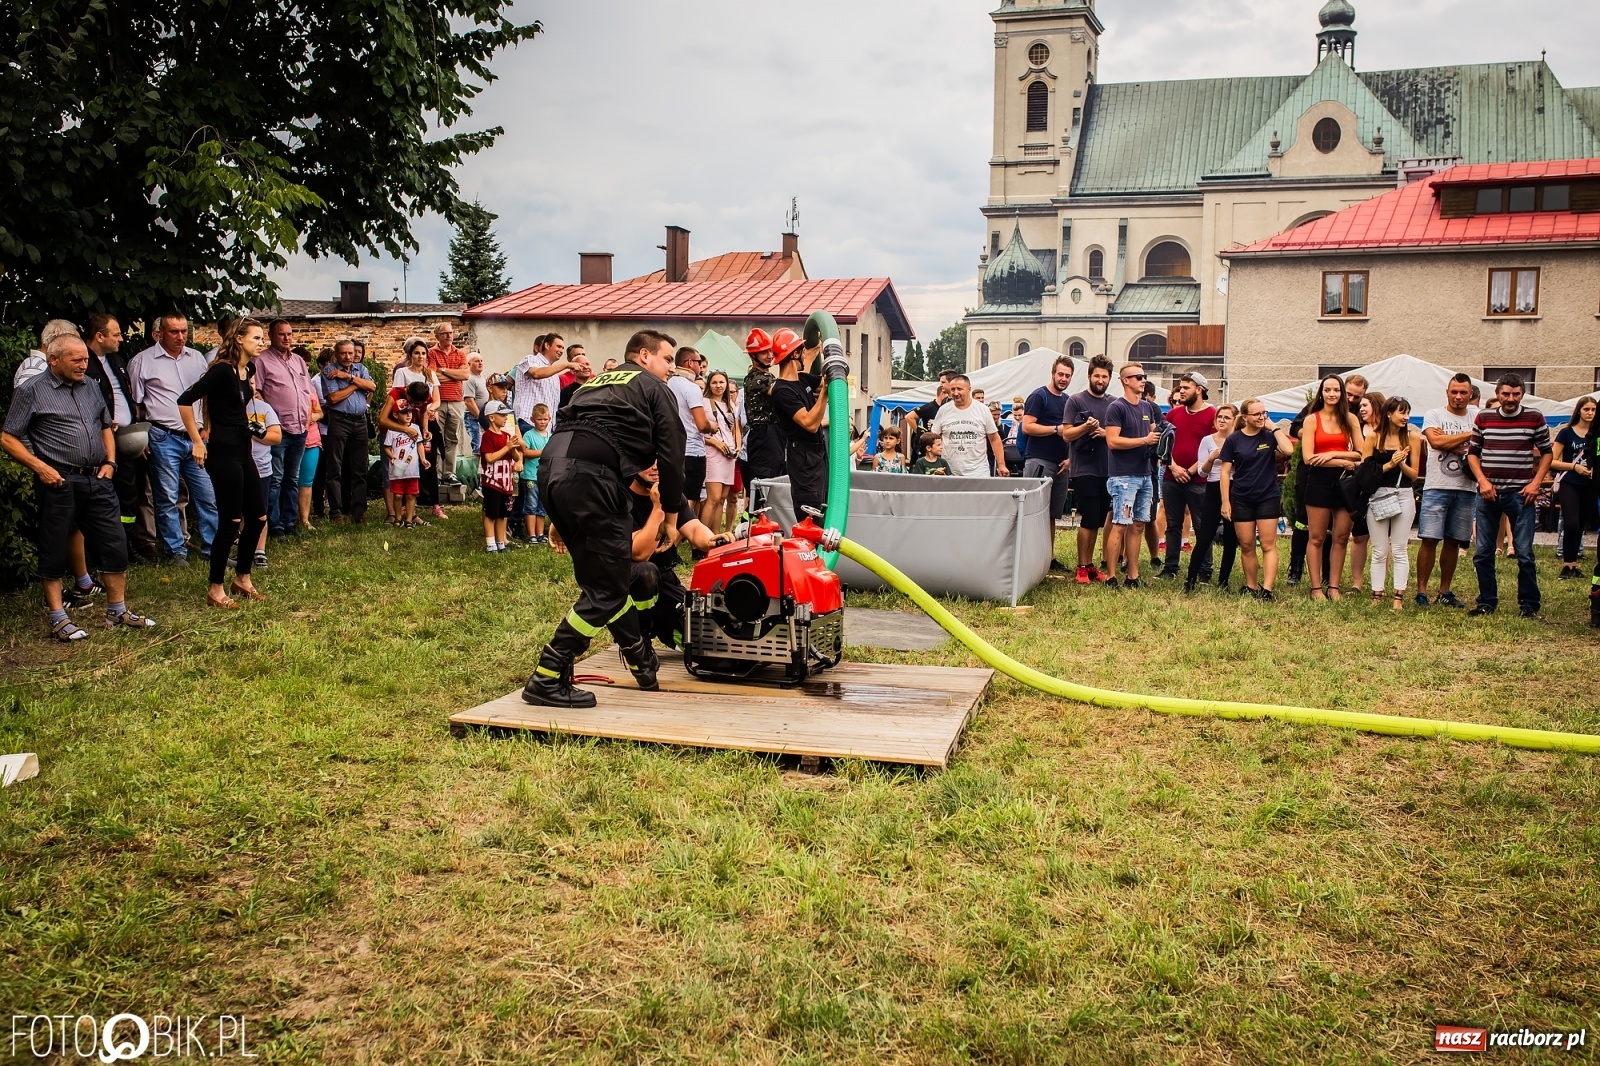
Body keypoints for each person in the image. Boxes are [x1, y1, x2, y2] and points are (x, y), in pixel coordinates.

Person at [525, 330, 687, 709]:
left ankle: (639, 657)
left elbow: (568, 429)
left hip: (554, 470)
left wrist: (561, 511)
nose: (671, 369)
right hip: (592, 478)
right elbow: (673, 454)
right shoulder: (652, 386)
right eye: (667, 360)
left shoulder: (594, 383)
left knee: (609, 581)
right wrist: (671, 517)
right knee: (608, 591)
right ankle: (548, 675)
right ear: (644, 356)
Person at [2, 335, 157, 639]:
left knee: (114, 543)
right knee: (54, 548)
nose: (83, 365)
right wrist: (40, 467)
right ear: (54, 360)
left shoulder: (90, 386)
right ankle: (59, 617)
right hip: (58, 480)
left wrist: (111, 462)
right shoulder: (32, 390)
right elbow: (8, 437)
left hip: (97, 479)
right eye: (76, 360)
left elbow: (104, 425)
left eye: (85, 359)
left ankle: (117, 610)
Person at [176, 318, 269, 608]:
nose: (261, 343)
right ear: (239, 339)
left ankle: (242, 577)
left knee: (258, 516)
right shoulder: (221, 372)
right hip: (223, 450)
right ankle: (215, 588)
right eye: (256, 338)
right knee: (231, 520)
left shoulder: (247, 369)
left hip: (243, 447)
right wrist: (197, 441)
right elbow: (184, 400)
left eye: (262, 338)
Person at [128, 314, 219, 564]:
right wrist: (140, 436)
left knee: (207, 495)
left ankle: (213, 548)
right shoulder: (142, 361)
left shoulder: (197, 358)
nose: (180, 337)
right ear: (159, 333)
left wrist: (207, 427)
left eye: (183, 332)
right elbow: (136, 404)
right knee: (167, 496)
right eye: (174, 332)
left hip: (196, 438)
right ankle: (176, 550)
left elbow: (206, 397)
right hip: (162, 436)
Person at [1467, 374, 1552, 618]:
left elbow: (1547, 453)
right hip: (1488, 493)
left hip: (1521, 494)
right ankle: (1486, 601)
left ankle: (1528, 605)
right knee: (1483, 551)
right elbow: (1473, 453)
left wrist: (1536, 483)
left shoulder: (1534, 417)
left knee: (1524, 553)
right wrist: (1482, 481)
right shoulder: (1484, 418)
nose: (1510, 399)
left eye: (1515, 394)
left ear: (1522, 394)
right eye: (1506, 394)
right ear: (1498, 394)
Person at [627, 462, 734, 650]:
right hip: (633, 581)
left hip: (666, 579)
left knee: (714, 638)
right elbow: (640, 553)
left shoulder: (672, 495)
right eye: (647, 462)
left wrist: (714, 540)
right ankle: (637, 639)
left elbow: (693, 528)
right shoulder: (621, 498)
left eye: (659, 461)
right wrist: (659, 507)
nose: (655, 467)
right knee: (646, 572)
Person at [81, 313, 157, 564]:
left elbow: (128, 397)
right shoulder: (84, 363)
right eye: (116, 334)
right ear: (99, 336)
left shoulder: (116, 359)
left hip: (127, 440)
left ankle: (127, 544)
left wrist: (137, 434)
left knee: (130, 495)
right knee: (101, 498)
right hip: (99, 443)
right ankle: (99, 552)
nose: (122, 339)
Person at [1219, 399, 1294, 600]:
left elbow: (1288, 450)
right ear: (1245, 417)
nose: (1262, 417)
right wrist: (1226, 502)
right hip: (1241, 497)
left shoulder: (1269, 436)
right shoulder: (1234, 440)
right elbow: (1225, 472)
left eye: (1264, 413)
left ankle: (1267, 590)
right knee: (1247, 545)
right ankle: (1251, 586)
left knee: (1268, 544)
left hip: (1267, 496)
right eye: (1257, 414)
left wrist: (1275, 427)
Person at [1416, 374, 1479, 608]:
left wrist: (1449, 439)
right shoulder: (1434, 415)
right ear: (1447, 392)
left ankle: (1445, 591)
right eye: (1454, 392)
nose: (1458, 397)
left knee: (1454, 541)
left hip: (1466, 487)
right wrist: (1470, 436)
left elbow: (1483, 444)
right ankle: (1421, 591)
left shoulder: (1478, 416)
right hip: (1436, 486)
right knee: (1429, 539)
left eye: (1463, 392)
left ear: (1470, 394)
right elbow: (1436, 443)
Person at [252, 319, 318, 538]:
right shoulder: (261, 360)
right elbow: (257, 393)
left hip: (300, 429)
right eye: (282, 334)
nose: (287, 338)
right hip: (278, 430)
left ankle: (290, 522)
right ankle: (274, 524)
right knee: (276, 479)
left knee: (292, 478)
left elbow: (308, 392)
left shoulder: (298, 361)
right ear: (271, 336)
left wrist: (308, 415)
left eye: (289, 334)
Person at [1300, 374, 1362, 602]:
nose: (1332, 394)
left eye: (1336, 390)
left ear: (1342, 393)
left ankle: (1333, 586)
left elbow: (1362, 453)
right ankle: (1316, 588)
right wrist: (1342, 461)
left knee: (1341, 536)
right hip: (1319, 482)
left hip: (1346, 482)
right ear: (1321, 393)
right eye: (1327, 390)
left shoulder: (1351, 419)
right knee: (1316, 537)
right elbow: (1308, 458)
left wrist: (1332, 454)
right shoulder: (1311, 420)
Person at [1102, 363, 1162, 587]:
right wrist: (1144, 441)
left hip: (1145, 474)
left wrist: (1160, 438)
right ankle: (1111, 575)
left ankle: (1133, 575)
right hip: (1124, 477)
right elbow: (1112, 441)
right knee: (1120, 524)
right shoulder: (1116, 407)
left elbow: (1153, 433)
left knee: (1138, 525)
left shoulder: (1146, 407)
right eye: (1137, 377)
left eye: (1144, 376)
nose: (1142, 380)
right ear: (1125, 381)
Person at [1361, 396, 1421, 609]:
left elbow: (1414, 475)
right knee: (1379, 550)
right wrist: (1389, 464)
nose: (1405, 417)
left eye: (1407, 412)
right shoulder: (1373, 437)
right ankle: (1377, 595)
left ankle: (1398, 597)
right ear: (1388, 413)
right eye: (1401, 412)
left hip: (1403, 494)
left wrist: (1401, 463)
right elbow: (1364, 472)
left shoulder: (1413, 438)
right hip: (1378, 495)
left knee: (1399, 548)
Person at [1159, 372, 1216, 579]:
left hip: (1199, 480)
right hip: (1171, 477)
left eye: (1186, 387)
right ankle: (1170, 567)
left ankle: (1204, 570)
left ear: (1199, 390)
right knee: (1172, 524)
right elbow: (1163, 444)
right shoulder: (1173, 414)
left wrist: (1191, 470)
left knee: (1202, 526)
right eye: (1180, 387)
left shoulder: (1212, 415)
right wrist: (1173, 467)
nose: (1181, 391)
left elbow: (1214, 448)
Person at [1063, 355, 1114, 583]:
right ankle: (1081, 566)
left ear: (1109, 378)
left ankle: (1091, 564)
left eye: (1104, 376)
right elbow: (1066, 434)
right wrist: (1085, 426)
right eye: (1097, 375)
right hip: (1084, 469)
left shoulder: (1114, 403)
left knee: (1099, 520)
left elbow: (1118, 435)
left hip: (1107, 470)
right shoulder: (1076, 401)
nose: (1100, 379)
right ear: (1089, 376)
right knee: (1089, 519)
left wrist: (1105, 433)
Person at [769, 327, 831, 518]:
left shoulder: (802, 379)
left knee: (822, 507)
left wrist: (821, 346)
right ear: (795, 353)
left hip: (817, 454)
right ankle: (806, 547)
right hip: (803, 457)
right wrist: (825, 393)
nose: (805, 355)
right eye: (801, 351)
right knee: (810, 512)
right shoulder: (782, 390)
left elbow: (824, 380)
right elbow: (810, 423)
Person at [1021, 355, 1074, 566]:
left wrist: (1070, 459)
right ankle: (1028, 556)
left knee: (1052, 514)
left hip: (1061, 464)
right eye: (1060, 374)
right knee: (1033, 511)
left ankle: (1049, 557)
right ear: (1053, 373)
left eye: (1067, 376)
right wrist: (1055, 429)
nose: (1063, 378)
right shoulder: (1038, 396)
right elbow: (1027, 426)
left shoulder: (1068, 400)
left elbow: (1071, 432)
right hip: (1039, 460)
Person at [319, 339, 375, 524]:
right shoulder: (329, 371)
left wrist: (349, 378)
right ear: (336, 354)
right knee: (335, 467)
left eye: (351, 353)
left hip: (360, 422)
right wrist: (356, 385)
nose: (348, 357)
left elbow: (373, 387)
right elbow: (334, 398)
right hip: (339, 421)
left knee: (359, 468)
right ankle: (336, 512)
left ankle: (358, 511)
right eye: (343, 353)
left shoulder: (360, 369)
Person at [1187, 403, 1239, 593]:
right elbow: (1201, 472)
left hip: (1235, 488)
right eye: (1219, 417)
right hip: (1212, 487)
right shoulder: (1208, 441)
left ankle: (1223, 581)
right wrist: (1211, 458)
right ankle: (1191, 579)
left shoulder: (1238, 439)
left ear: (1235, 420)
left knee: (1231, 538)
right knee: (1205, 536)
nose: (1222, 421)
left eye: (1226, 417)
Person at [931, 374, 1007, 479]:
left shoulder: (982, 410)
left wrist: (1001, 465)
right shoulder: (943, 410)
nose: (956, 393)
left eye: (959, 389)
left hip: (978, 472)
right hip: (949, 472)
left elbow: (994, 439)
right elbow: (933, 438)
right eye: (953, 389)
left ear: (969, 390)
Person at [1553, 397, 1596, 580]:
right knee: (1571, 523)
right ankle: (1566, 564)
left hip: (1591, 484)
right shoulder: (1566, 433)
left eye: (1594, 410)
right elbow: (1552, 460)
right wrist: (1574, 467)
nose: (1590, 413)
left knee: (1581, 525)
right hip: (1570, 481)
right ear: (1579, 410)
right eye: (1587, 409)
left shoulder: (1596, 433)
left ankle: (1573, 565)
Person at [668, 347, 713, 510]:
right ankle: (677, 536)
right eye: (698, 362)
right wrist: (712, 427)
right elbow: (701, 424)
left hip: (672, 449)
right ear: (688, 363)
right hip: (693, 451)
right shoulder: (691, 387)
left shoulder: (668, 383)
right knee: (689, 502)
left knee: (672, 499)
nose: (700, 367)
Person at [740, 329, 785, 493]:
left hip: (775, 436)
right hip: (763, 436)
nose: (769, 355)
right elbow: (785, 391)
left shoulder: (768, 376)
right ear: (753, 356)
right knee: (764, 488)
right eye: (763, 352)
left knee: (777, 485)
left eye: (770, 350)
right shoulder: (756, 378)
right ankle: (757, 517)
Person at [425, 323, 470, 483]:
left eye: (450, 333)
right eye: (444, 333)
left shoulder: (460, 354)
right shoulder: (431, 353)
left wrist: (442, 371)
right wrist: (454, 375)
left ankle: (449, 473)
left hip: (457, 400)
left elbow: (465, 375)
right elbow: (430, 375)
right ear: (437, 336)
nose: (449, 336)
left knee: (453, 438)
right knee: (438, 437)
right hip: (439, 401)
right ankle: (436, 474)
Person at [245, 383, 283, 569]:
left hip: (260, 468)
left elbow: (276, 437)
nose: (249, 385)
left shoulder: (263, 408)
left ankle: (259, 550)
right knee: (238, 512)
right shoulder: (223, 407)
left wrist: (253, 430)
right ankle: (244, 548)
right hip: (235, 468)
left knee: (259, 512)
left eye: (252, 382)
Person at [700, 370, 740, 534]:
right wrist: (715, 442)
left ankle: (716, 536)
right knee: (713, 498)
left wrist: (738, 446)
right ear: (709, 384)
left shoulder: (731, 406)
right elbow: (698, 431)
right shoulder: (704, 402)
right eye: (714, 382)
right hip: (713, 452)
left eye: (721, 382)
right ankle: (699, 539)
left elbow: (735, 428)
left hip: (729, 454)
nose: (718, 386)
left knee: (722, 499)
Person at [511, 333, 572, 435]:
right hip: (527, 422)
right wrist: (566, 365)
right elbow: (536, 373)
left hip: (546, 429)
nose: (561, 351)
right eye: (558, 346)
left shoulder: (554, 375)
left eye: (563, 348)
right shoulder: (530, 359)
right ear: (547, 345)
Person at [479, 400, 519, 552]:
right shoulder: (487, 436)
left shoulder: (506, 435)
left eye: (506, 415)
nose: (505, 418)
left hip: (506, 483)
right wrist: (507, 447)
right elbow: (489, 458)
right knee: (491, 514)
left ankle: (501, 542)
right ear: (491, 417)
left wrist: (513, 447)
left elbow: (514, 458)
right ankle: (490, 544)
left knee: (503, 514)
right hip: (492, 482)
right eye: (502, 415)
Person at [383, 403, 428, 528]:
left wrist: (423, 459)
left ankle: (409, 519)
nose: (408, 415)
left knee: (410, 494)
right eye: (404, 412)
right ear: (395, 414)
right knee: (397, 495)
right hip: (397, 469)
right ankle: (398, 518)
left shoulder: (415, 428)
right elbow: (386, 447)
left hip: (412, 468)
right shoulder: (392, 430)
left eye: (410, 412)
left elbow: (419, 444)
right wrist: (392, 457)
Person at [520, 403, 552, 543]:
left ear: (550, 419)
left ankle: (540, 534)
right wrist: (544, 453)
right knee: (531, 505)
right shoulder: (529, 435)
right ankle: (531, 534)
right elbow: (525, 452)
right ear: (532, 419)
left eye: (545, 419)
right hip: (531, 476)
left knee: (541, 507)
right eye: (539, 419)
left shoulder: (550, 436)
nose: (542, 422)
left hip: (545, 477)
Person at [463, 352, 489, 453]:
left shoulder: (482, 379)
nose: (480, 363)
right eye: (477, 361)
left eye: (481, 361)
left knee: (485, 446)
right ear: (469, 364)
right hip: (474, 418)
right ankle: (475, 469)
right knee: (478, 446)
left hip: (482, 418)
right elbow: (469, 401)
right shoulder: (469, 379)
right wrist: (481, 418)